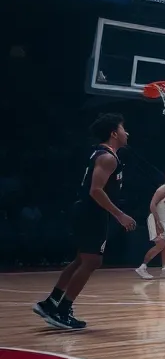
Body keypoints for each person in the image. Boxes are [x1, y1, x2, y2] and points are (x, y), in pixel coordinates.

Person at [34, 113, 137, 330]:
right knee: (92, 261)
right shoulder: (108, 157)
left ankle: (51, 303)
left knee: (82, 259)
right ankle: (62, 311)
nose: (126, 132)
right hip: (92, 212)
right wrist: (120, 215)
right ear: (113, 133)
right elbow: (96, 190)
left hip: (87, 211)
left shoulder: (104, 155)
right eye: (122, 128)